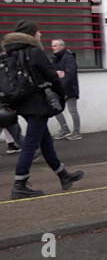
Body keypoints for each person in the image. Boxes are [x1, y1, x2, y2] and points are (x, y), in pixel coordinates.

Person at [3, 21, 84, 198]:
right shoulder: (34, 51)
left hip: (22, 104)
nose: (40, 35)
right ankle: (20, 184)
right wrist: (61, 94)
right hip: (37, 105)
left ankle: (63, 175)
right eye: (38, 32)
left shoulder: (11, 53)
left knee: (45, 142)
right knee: (31, 145)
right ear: (30, 34)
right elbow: (52, 75)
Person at [50, 39, 81, 140]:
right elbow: (53, 73)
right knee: (56, 108)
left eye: (55, 45)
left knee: (72, 110)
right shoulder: (55, 58)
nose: (52, 47)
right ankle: (65, 129)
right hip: (59, 88)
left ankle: (76, 133)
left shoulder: (68, 57)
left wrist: (61, 76)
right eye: (52, 45)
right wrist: (58, 73)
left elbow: (70, 74)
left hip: (69, 88)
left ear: (61, 46)